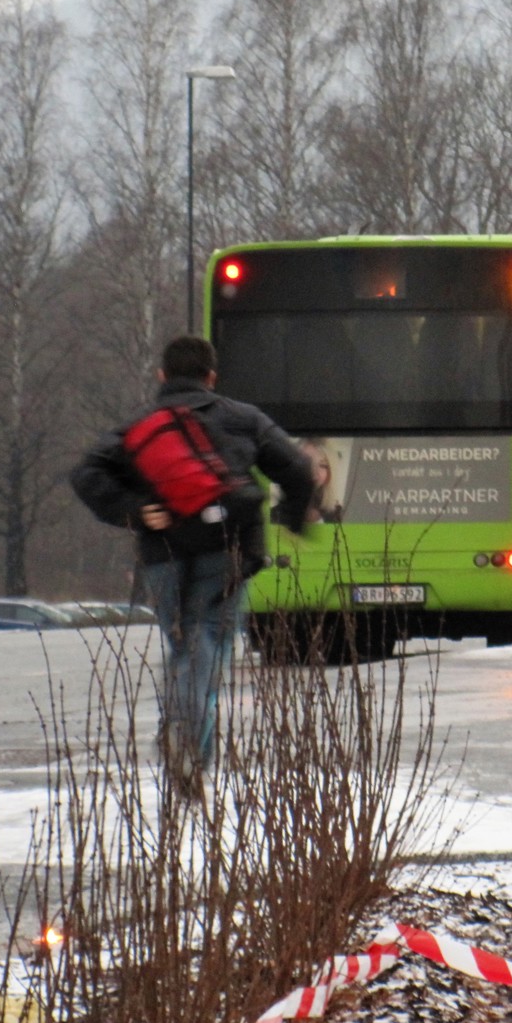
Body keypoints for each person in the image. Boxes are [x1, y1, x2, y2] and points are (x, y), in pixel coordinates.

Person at [71, 336, 316, 798]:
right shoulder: (242, 418)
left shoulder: (138, 427)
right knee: (210, 641)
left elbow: (86, 475)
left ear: (163, 376)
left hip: (163, 553)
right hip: (228, 549)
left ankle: (183, 738)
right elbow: (298, 469)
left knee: (184, 642)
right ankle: (188, 743)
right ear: (211, 377)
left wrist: (135, 510)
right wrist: (288, 518)